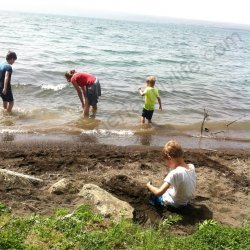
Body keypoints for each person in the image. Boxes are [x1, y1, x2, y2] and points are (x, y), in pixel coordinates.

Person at [146, 140, 196, 209]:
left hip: (175, 204)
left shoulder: (175, 173)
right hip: (185, 201)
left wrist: (148, 185)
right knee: (168, 190)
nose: (166, 164)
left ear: (169, 158)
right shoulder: (191, 166)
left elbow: (158, 192)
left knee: (154, 195)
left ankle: (155, 204)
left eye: (166, 161)